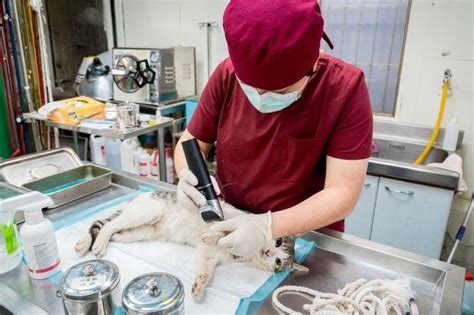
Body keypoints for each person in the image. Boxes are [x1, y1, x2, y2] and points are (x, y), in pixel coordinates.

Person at [174, 0, 373, 257]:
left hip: (306, 238)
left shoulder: (344, 89)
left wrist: (267, 226)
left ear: (312, 65)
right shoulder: (226, 74)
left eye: (278, 92)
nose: (260, 97)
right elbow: (191, 141)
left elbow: (342, 192)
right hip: (231, 223)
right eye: (249, 87)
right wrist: (188, 178)